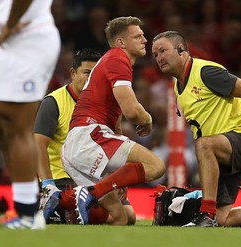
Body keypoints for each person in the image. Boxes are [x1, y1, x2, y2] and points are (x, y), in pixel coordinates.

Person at [152, 31, 241, 227]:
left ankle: (205, 214)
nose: (159, 57)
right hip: (221, 151)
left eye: (163, 51)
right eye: (155, 54)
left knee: (204, 144)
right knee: (223, 219)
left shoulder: (205, 71)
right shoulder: (177, 85)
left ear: (181, 50)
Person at [59, 16, 166, 225]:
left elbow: (116, 124)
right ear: (121, 42)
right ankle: (73, 197)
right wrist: (148, 119)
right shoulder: (118, 59)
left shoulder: (111, 61)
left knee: (121, 218)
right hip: (88, 136)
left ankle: (63, 205)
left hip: (79, 144)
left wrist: (118, 177)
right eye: (138, 36)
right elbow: (132, 111)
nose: (145, 40)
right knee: (156, 166)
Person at [34, 48, 136, 225]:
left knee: (129, 216)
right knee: (117, 218)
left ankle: (72, 214)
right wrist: (48, 185)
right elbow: (38, 145)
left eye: (95, 75)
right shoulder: (54, 102)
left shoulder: (109, 103)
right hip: (64, 179)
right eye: (87, 73)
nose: (91, 79)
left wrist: (118, 180)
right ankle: (60, 207)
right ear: (73, 73)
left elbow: (116, 144)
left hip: (97, 178)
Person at [0, 0, 60, 229]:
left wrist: (10, 24)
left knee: (19, 128)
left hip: (25, 37)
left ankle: (27, 213)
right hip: (11, 39)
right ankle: (20, 208)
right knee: (0, 122)